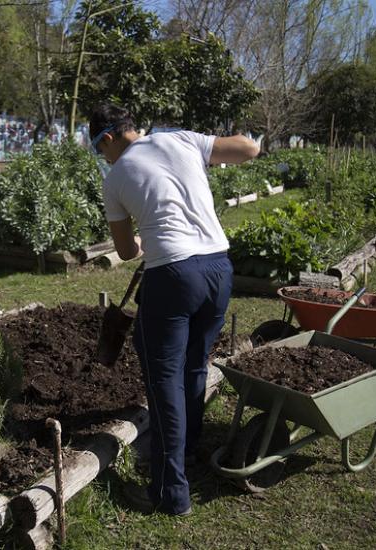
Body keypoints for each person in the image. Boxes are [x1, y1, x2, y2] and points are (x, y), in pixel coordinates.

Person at [89, 104, 259, 516]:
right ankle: (188, 450)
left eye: (99, 150)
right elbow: (249, 149)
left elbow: (126, 251)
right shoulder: (181, 139)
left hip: (173, 277)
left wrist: (147, 239)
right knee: (195, 364)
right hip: (218, 268)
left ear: (108, 138)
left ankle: (169, 492)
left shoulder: (116, 178)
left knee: (163, 379)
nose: (103, 158)